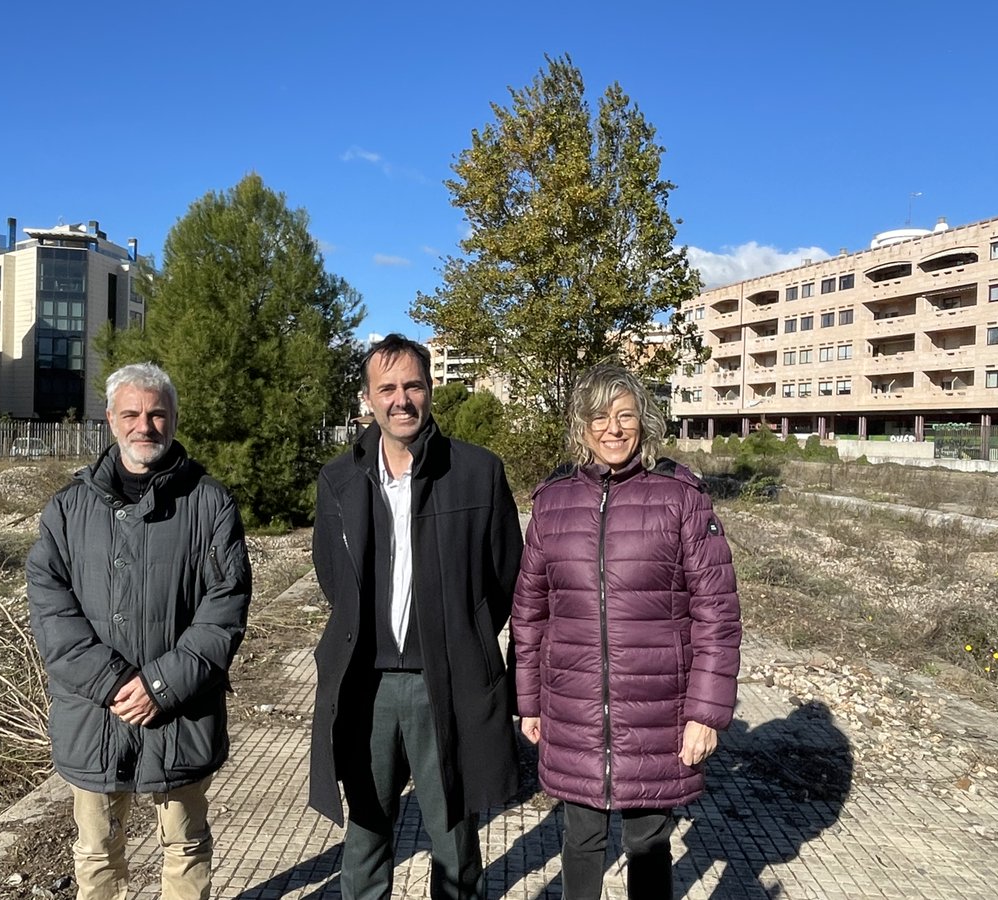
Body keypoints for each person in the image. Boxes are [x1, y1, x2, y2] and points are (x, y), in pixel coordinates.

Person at [510, 362, 742, 900]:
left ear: (644, 420)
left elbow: (717, 613)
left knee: (647, 841)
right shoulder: (553, 501)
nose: (612, 429)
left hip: (658, 710)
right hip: (573, 707)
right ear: (581, 426)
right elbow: (529, 611)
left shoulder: (680, 497)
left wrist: (705, 714)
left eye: (624, 415)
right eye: (599, 417)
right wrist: (530, 702)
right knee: (581, 836)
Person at [308, 333, 524, 900]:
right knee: (366, 834)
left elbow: (504, 578)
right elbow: (333, 575)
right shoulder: (339, 479)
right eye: (387, 389)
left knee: (453, 835)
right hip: (369, 685)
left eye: (412, 385)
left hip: (445, 681)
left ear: (430, 392)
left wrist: (467, 630)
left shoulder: (478, 473)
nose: (401, 399)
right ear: (368, 399)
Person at [27, 362, 252, 900]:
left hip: (182, 708)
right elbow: (51, 610)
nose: (144, 426)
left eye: (156, 414)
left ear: (173, 418)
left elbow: (227, 606)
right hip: (94, 711)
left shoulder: (210, 503)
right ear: (110, 418)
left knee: (186, 844)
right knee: (97, 850)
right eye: (131, 413)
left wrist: (161, 685)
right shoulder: (67, 507)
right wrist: (110, 683)